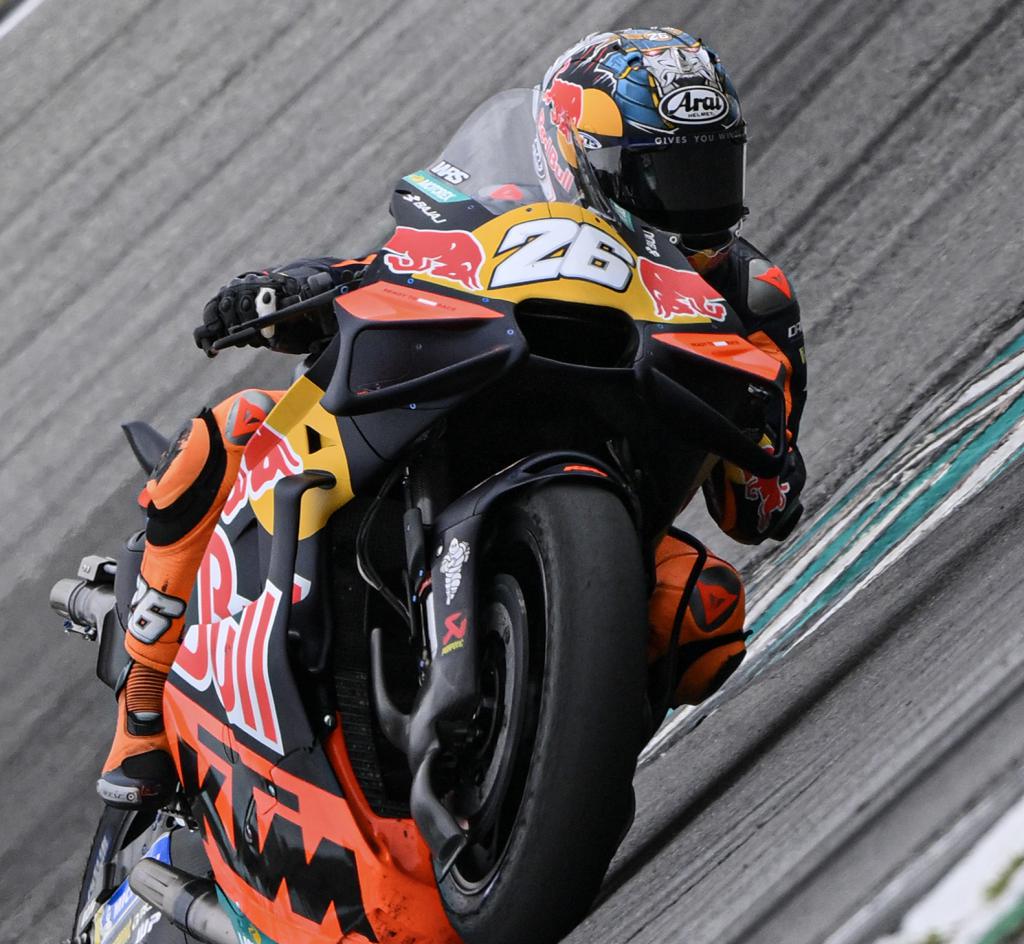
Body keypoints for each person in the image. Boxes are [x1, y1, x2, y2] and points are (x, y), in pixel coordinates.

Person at [98, 26, 806, 808]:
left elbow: (756, 509)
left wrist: (767, 442)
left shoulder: (746, 294)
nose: (697, 205)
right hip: (450, 420)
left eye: (711, 171)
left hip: (608, 511)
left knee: (704, 614)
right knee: (231, 430)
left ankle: (548, 773)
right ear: (580, 159)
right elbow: (391, 266)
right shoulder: (501, 211)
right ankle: (142, 710)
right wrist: (288, 289)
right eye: (665, 177)